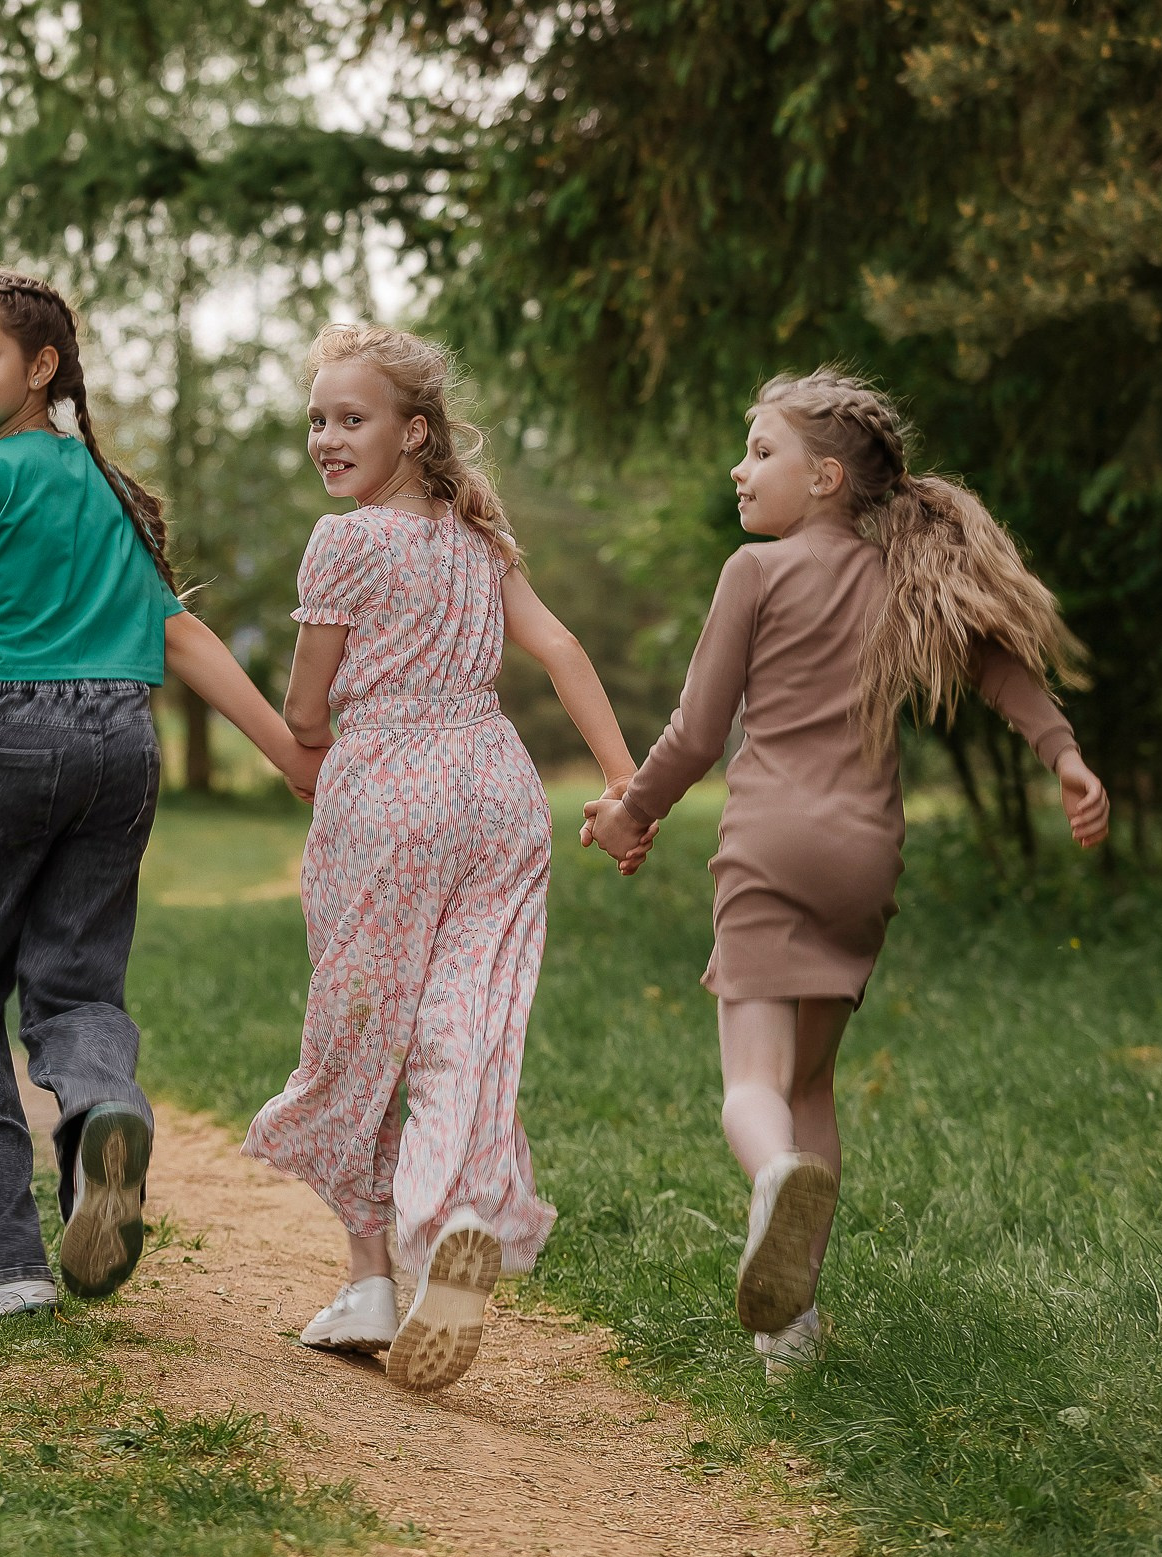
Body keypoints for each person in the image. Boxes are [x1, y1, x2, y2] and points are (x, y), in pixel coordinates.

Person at [585, 367, 1111, 1376]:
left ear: (825, 477)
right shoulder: (902, 577)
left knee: (753, 1082)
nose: (740, 470)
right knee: (814, 1078)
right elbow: (1000, 664)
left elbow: (697, 733)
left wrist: (629, 813)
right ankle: (793, 1328)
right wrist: (1065, 756)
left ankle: (774, 1177)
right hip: (865, 857)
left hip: (772, 842)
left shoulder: (756, 571)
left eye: (761, 450)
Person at [0, 268, 324, 1318]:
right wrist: (290, 756)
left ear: (42, 367)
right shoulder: (106, 487)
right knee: (77, 983)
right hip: (123, 738)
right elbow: (179, 633)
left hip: (12, 734)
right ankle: (106, 1108)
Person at [243, 323, 643, 1393]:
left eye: (351, 418)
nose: (328, 438)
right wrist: (623, 786)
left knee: (362, 1030)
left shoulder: (344, 542)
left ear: (413, 431)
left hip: (388, 793)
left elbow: (302, 703)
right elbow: (558, 650)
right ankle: (453, 1218)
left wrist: (309, 752)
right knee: (467, 1018)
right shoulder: (480, 537)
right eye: (319, 419)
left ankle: (379, 1264)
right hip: (500, 790)